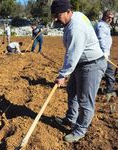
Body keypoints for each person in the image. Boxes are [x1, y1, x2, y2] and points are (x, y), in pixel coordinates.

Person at [51, 0, 107, 143]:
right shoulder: (76, 16)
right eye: (55, 15)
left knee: (85, 101)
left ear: (68, 11)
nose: (57, 18)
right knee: (72, 92)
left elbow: (73, 54)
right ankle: (70, 119)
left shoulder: (76, 28)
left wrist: (63, 75)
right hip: (81, 63)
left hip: (91, 65)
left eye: (59, 15)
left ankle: (80, 130)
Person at [95, 10, 117, 101]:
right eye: (108, 17)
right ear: (104, 16)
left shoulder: (104, 26)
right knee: (110, 72)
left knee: (100, 72)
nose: (110, 19)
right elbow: (101, 39)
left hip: (103, 53)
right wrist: (105, 52)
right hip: (102, 54)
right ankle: (110, 90)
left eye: (111, 17)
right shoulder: (102, 26)